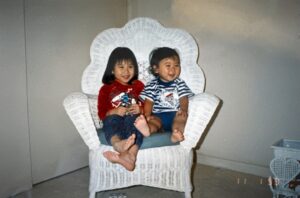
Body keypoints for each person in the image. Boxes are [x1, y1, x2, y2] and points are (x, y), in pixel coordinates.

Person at [97, 47, 148, 171]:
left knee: (136, 121)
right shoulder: (106, 88)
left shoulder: (139, 86)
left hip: (132, 118)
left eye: (130, 67)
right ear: (112, 70)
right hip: (114, 119)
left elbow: (149, 105)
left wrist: (140, 109)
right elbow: (101, 113)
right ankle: (118, 144)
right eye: (121, 67)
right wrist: (114, 111)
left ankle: (131, 156)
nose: (126, 71)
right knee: (110, 120)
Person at [138, 47, 194, 143]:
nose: (173, 69)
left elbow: (183, 98)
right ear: (156, 69)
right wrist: (147, 115)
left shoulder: (179, 83)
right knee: (153, 122)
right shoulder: (152, 85)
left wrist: (184, 109)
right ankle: (147, 130)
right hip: (158, 116)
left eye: (176, 65)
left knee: (181, 119)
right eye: (168, 65)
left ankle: (176, 134)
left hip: (175, 114)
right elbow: (149, 102)